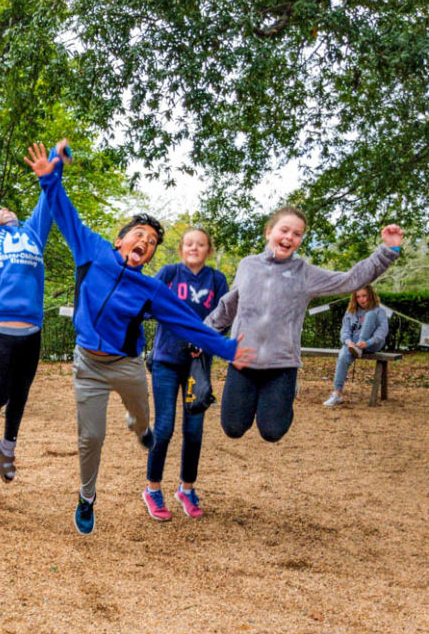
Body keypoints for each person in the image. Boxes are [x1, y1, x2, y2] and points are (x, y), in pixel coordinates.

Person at [24, 142, 254, 535]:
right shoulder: (93, 250)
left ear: (148, 258)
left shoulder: (151, 290)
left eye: (150, 243)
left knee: (144, 419)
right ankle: (87, 496)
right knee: (90, 438)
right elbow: (64, 213)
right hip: (89, 366)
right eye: (139, 235)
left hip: (127, 366)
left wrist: (228, 349)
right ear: (121, 240)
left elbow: (187, 322)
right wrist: (50, 175)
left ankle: (139, 426)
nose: (144, 243)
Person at [205, 206, 402, 445]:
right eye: (284, 230)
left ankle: (285, 395)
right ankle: (259, 399)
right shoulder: (248, 265)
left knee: (272, 432)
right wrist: (203, 335)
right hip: (242, 360)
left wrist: (387, 251)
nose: (289, 237)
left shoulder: (305, 274)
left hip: (281, 365)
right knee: (233, 428)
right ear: (269, 232)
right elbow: (229, 305)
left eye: (296, 234)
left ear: (300, 240)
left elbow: (351, 279)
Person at [0, 119, 54, 484]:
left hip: (32, 328)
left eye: (8, 211)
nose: (6, 211)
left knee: (21, 395)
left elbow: (48, 200)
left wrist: (54, 163)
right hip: (3, 325)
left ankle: (8, 446)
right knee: (1, 392)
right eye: (1, 212)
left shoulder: (34, 233)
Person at [144, 228, 229, 520]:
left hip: (198, 365)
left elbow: (225, 316)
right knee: (164, 428)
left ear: (208, 250)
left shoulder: (217, 280)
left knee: (194, 431)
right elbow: (145, 303)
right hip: (167, 360)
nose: (195, 247)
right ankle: (153, 489)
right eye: (189, 243)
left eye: (201, 244)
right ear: (182, 248)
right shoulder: (169, 274)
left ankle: (186, 488)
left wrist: (204, 340)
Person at [323, 285, 389, 406]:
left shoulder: (378, 311)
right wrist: (348, 342)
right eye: (358, 297)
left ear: (370, 295)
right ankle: (337, 394)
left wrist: (367, 342)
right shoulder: (350, 312)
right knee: (342, 356)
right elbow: (344, 331)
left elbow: (383, 331)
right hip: (353, 344)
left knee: (370, 315)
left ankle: (358, 348)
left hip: (372, 343)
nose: (361, 299)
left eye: (364, 296)